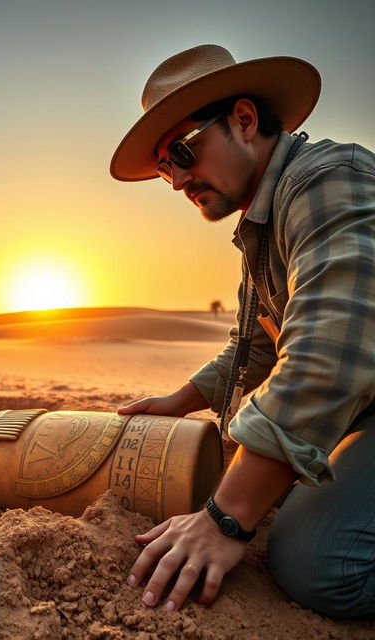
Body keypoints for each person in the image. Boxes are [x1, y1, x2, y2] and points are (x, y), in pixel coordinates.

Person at [110, 44, 375, 617]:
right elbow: (254, 347)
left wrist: (224, 519)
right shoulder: (262, 223)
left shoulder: (329, 179)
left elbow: (331, 347)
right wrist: (179, 401)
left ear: (245, 120)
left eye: (182, 151)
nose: (178, 179)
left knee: (320, 564)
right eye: (164, 167)